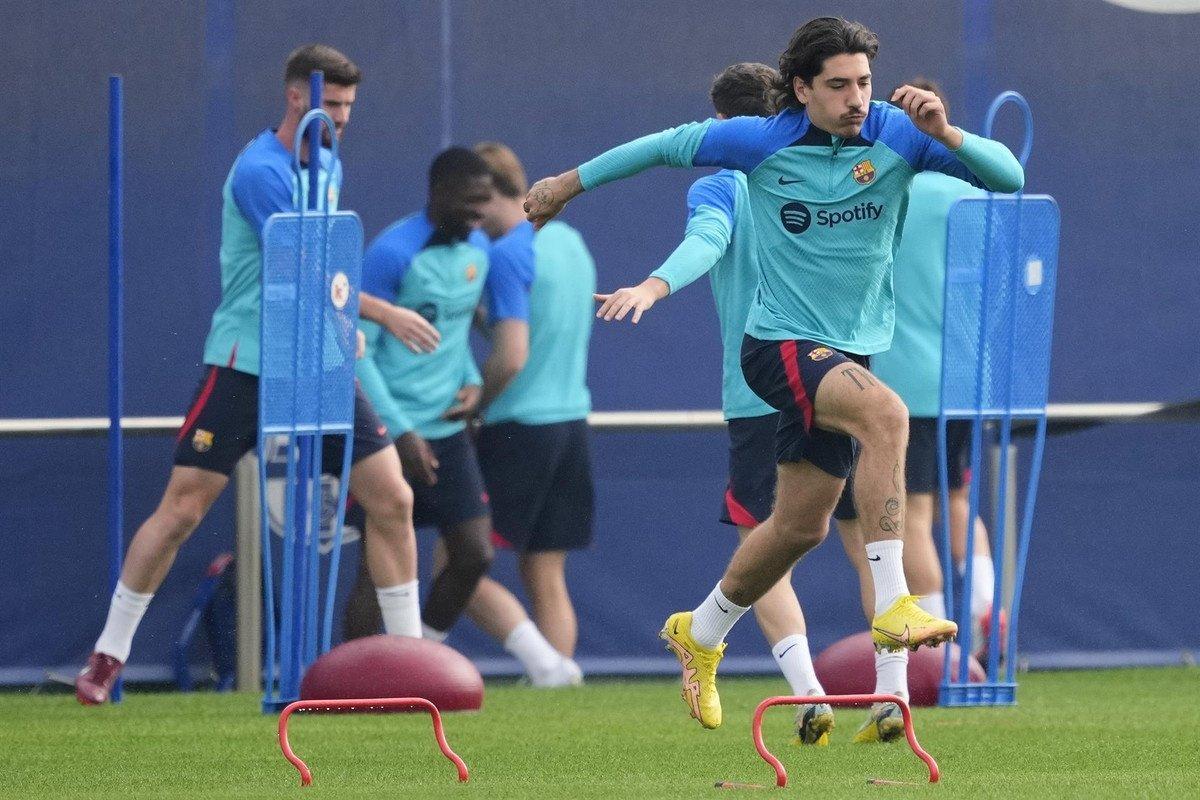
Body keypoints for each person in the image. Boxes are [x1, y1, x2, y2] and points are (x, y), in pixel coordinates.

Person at [525, 17, 1023, 730]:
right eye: (838, 86)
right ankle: (894, 610)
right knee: (888, 415)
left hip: (843, 351)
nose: (856, 98)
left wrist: (947, 133)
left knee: (798, 528)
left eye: (864, 83)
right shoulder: (760, 140)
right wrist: (565, 186)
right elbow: (661, 148)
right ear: (801, 90)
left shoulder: (899, 133)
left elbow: (1011, 177)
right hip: (779, 344)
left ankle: (699, 631)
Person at [75, 44, 435, 705]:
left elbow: (327, 272)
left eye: (350, 109)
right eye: (331, 105)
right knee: (183, 508)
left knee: (394, 499)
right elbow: (301, 264)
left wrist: (339, 325)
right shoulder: (258, 171)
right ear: (296, 97)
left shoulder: (326, 159)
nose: (341, 120)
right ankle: (109, 654)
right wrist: (379, 312)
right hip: (247, 359)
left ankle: (412, 662)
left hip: (317, 362)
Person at [346, 147, 579, 686]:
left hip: (450, 429)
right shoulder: (392, 252)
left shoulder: (479, 246)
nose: (479, 216)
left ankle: (417, 664)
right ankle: (356, 686)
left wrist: (473, 381)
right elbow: (360, 350)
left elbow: (455, 334)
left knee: (473, 555)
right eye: (469, 204)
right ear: (438, 195)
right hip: (389, 430)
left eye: (485, 204)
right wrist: (398, 430)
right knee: (373, 572)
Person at [866, 78, 1001, 662]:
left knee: (913, 512)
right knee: (960, 501)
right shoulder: (969, 192)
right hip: (967, 377)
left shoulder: (878, 192)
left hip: (902, 379)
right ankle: (984, 616)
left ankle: (943, 648)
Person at [462, 141, 595, 677]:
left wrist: (476, 407)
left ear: (488, 192)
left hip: (517, 428)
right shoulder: (570, 242)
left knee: (457, 568)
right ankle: (558, 680)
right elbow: (529, 328)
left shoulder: (510, 250)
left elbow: (511, 356)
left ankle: (545, 666)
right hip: (570, 425)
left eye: (472, 201)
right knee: (545, 571)